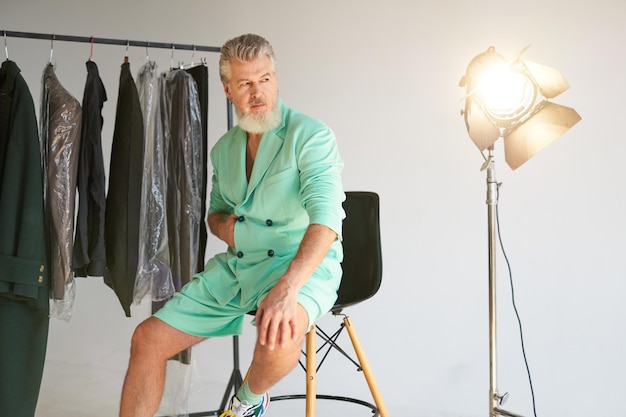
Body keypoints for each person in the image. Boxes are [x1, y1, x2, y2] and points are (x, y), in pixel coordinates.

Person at [119, 33, 345, 417]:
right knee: (147, 339)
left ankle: (248, 402)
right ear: (227, 89)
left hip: (299, 266)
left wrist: (288, 288)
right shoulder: (224, 150)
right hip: (239, 267)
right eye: (245, 83)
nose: (258, 92)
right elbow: (216, 214)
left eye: (265, 79)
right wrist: (232, 231)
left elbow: (326, 220)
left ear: (275, 78)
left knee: (279, 330)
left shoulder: (311, 135)